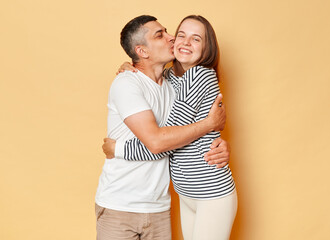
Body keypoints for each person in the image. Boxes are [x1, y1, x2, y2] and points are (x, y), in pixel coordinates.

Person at [95, 15, 230, 240]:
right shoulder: (138, 81)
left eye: (196, 39)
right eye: (161, 35)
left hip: (164, 206)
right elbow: (161, 140)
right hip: (121, 205)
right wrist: (209, 126)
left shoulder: (184, 80)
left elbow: (165, 141)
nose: (174, 38)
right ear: (142, 51)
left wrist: (213, 131)